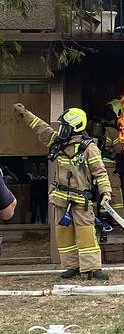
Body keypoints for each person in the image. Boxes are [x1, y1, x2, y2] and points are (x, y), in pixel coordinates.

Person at [13, 103, 112, 280]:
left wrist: (106, 193)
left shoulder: (89, 148)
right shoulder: (58, 143)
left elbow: (100, 172)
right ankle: (72, 267)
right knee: (64, 235)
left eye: (65, 127)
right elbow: (41, 128)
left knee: (86, 235)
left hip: (81, 201)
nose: (61, 130)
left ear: (76, 127)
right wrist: (25, 114)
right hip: (60, 200)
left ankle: (92, 268)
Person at [99, 99, 124, 219]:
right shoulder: (112, 131)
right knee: (115, 194)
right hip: (108, 167)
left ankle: (96, 220)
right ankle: (119, 222)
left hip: (94, 165)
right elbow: (118, 149)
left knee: (96, 194)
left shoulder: (94, 126)